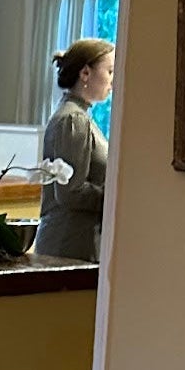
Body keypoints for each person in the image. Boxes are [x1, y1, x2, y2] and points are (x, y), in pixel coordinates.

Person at [36, 38, 114, 262]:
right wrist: (114, 198)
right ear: (85, 73)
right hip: (69, 244)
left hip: (78, 242)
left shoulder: (79, 117)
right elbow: (70, 191)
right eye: (109, 71)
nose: (112, 82)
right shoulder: (73, 119)